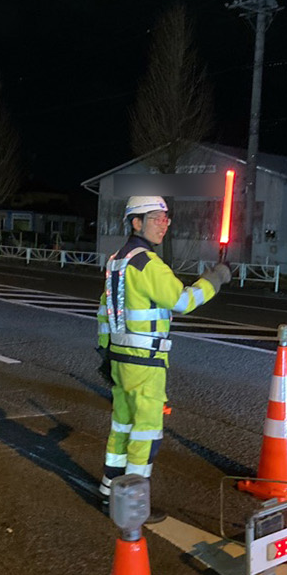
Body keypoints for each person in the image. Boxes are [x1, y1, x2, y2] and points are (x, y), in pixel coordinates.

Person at [95, 196, 232, 504]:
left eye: (166, 219)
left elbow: (105, 311)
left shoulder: (117, 261)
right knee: (146, 433)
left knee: (122, 426)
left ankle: (109, 489)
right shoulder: (148, 263)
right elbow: (182, 301)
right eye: (156, 219)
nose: (163, 225)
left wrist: (105, 352)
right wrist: (215, 279)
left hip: (120, 360)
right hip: (145, 362)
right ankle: (131, 503)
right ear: (136, 223)